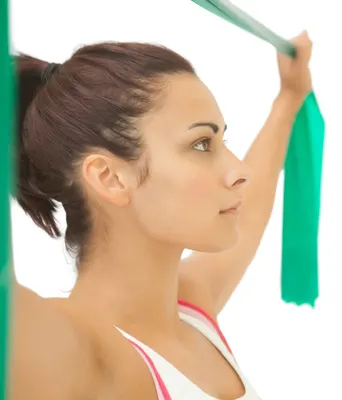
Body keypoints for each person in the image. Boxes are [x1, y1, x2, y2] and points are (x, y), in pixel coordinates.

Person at [10, 31, 313, 400]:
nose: (239, 171)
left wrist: (289, 98)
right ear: (110, 177)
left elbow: (249, 214)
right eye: (202, 144)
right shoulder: (74, 347)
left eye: (222, 142)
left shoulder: (191, 310)